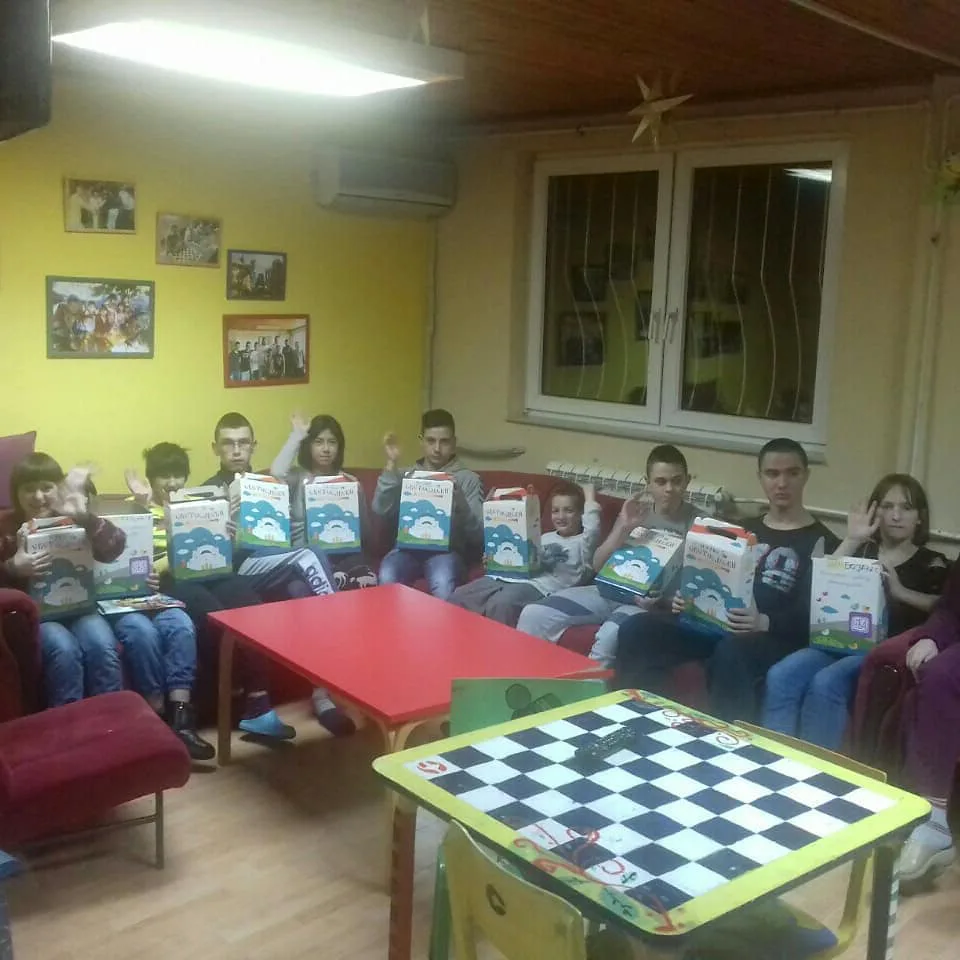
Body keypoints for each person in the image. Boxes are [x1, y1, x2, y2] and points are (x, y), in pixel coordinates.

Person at [615, 438, 840, 724]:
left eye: (792, 473)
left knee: (731, 651)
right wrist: (688, 597)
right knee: (637, 629)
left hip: (771, 635)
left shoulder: (825, 542)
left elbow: (816, 614)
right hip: (716, 624)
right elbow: (709, 575)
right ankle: (641, 721)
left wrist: (765, 622)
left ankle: (728, 742)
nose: (782, 483)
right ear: (761, 477)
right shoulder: (741, 529)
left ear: (805, 476)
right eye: (772, 474)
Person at [763, 474, 949, 750]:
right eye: (887, 506)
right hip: (836, 640)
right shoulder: (861, 550)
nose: (896, 516)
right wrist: (852, 538)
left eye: (906, 508)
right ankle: (773, 756)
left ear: (919, 517)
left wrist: (900, 592)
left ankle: (819, 768)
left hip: (880, 651)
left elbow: (945, 608)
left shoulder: (932, 562)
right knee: (781, 674)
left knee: (826, 682)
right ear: (875, 511)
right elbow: (819, 582)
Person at [126, 443, 295, 741]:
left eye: (178, 475)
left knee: (252, 608)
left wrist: (228, 534)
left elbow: (222, 551)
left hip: (212, 572)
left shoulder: (199, 504)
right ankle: (230, 700)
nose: (172, 483)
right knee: (213, 615)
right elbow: (129, 560)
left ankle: (259, 704)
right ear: (151, 478)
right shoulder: (136, 508)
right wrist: (146, 513)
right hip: (171, 580)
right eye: (164, 475)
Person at [201, 416, 356, 735]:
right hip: (239, 569)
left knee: (302, 591)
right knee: (309, 554)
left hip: (273, 562)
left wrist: (296, 435)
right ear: (216, 448)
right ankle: (346, 636)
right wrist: (224, 527)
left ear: (253, 446)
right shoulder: (208, 491)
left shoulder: (263, 482)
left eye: (243, 443)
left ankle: (322, 696)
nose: (236, 450)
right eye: (228, 443)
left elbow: (278, 474)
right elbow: (204, 558)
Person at [516, 445, 697, 666]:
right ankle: (525, 681)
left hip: (646, 606)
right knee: (533, 613)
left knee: (609, 637)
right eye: (661, 482)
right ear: (648, 483)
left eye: (676, 481)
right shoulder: (636, 512)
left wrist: (665, 602)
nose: (669, 489)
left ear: (687, 481)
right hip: (606, 591)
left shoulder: (700, 525)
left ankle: (588, 687)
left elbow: (696, 590)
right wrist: (623, 528)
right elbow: (597, 564)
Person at [0, 453, 124, 707]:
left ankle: (111, 717)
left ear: (58, 488)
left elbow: (115, 548)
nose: (38, 497)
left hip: (82, 609)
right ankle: (69, 724)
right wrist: (12, 567)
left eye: (46, 488)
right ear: (16, 493)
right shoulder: (6, 527)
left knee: (101, 644)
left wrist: (85, 517)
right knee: (64, 650)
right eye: (29, 489)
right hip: (40, 616)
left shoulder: (74, 517)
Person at [450, 482, 601, 626]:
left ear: (581, 514)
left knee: (500, 603)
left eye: (568, 511)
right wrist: (494, 561)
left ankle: (498, 643)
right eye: (555, 511)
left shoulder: (584, 543)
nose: (561, 516)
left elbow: (593, 529)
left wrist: (589, 496)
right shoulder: (544, 537)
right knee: (460, 595)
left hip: (542, 588)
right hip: (511, 577)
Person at [372, 409, 483, 600]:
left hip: (446, 553)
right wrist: (391, 463)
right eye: (431, 441)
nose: (437, 449)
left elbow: (479, 535)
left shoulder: (468, 479)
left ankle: (444, 621)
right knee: (388, 573)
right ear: (421, 441)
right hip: (405, 550)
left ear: (454, 443)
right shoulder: (407, 475)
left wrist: (461, 504)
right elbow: (380, 509)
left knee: (443, 579)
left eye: (444, 441)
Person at [270, 413, 378, 591]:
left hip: (345, 553)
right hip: (308, 556)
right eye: (319, 442)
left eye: (332, 442)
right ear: (309, 445)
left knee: (365, 579)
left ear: (339, 447)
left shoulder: (350, 483)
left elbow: (365, 532)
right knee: (304, 584)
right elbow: (276, 472)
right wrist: (297, 435)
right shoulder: (297, 478)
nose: (326, 449)